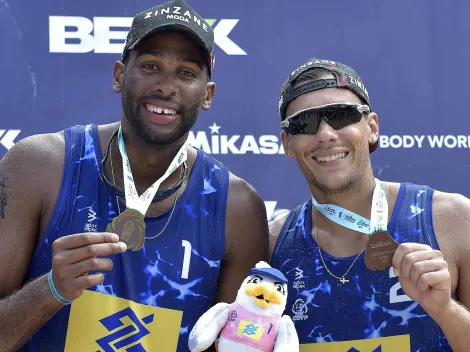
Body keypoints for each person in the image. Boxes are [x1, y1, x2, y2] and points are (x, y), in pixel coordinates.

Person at [0, 0, 269, 351]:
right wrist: (50, 289)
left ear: (208, 95)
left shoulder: (237, 208)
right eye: (151, 65)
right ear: (118, 75)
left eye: (186, 73)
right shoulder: (39, 166)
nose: (166, 86)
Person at [269, 58, 470, 351]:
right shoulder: (273, 245)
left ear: (372, 127)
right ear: (287, 143)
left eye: (341, 115)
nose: (325, 134)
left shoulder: (453, 220)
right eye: (305, 123)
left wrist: (445, 310)